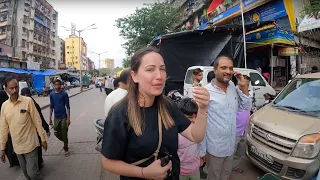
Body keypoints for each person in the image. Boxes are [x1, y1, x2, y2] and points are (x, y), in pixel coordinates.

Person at [101, 46, 209, 180]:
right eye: (150, 69)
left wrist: (203, 109)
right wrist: (143, 172)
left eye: (162, 69)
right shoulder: (119, 114)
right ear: (134, 76)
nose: (159, 76)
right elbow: (108, 162)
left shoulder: (168, 106)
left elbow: (195, 136)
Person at [199, 55, 252, 180]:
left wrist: (244, 88)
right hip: (215, 148)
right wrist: (201, 151)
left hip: (230, 145)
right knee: (214, 176)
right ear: (215, 70)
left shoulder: (233, 87)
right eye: (223, 68)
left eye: (230, 68)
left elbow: (246, 106)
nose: (228, 71)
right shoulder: (206, 92)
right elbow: (199, 123)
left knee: (226, 175)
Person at [0, 76, 47, 180]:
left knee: (33, 173)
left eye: (16, 87)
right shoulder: (4, 106)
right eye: (11, 88)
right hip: (17, 147)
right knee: (26, 174)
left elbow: (37, 121)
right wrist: (2, 148)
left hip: (31, 144)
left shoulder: (28, 101)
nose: (14, 90)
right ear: (6, 89)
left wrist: (43, 138)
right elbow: (3, 128)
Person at [21, 87, 51, 169]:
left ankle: (39, 162)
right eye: (24, 95)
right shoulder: (20, 105)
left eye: (27, 94)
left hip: (36, 130)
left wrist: (46, 129)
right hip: (27, 131)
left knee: (37, 147)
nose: (26, 96)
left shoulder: (34, 104)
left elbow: (40, 118)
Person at [177, 98, 201, 180]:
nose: (194, 120)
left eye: (196, 116)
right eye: (190, 117)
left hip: (195, 169)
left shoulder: (197, 130)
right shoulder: (175, 134)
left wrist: (202, 156)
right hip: (181, 172)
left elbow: (201, 142)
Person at [232, 75, 252, 173]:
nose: (246, 85)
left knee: (240, 152)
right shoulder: (234, 92)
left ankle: (234, 167)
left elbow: (249, 106)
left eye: (247, 84)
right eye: (244, 82)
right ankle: (226, 172)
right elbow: (245, 102)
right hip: (235, 131)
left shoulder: (248, 93)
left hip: (244, 131)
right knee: (230, 153)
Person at [49, 79, 71, 157]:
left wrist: (68, 118)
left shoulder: (64, 94)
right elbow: (51, 107)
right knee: (56, 133)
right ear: (53, 85)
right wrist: (50, 118)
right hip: (56, 117)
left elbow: (68, 107)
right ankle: (65, 141)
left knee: (64, 133)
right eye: (55, 85)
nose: (57, 86)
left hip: (64, 117)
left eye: (58, 84)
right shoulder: (52, 95)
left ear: (61, 85)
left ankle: (66, 148)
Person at [0, 90, 20, 168]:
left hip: (6, 127)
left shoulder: (5, 106)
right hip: (6, 127)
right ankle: (15, 161)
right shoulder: (6, 105)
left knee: (9, 145)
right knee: (10, 145)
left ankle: (13, 161)